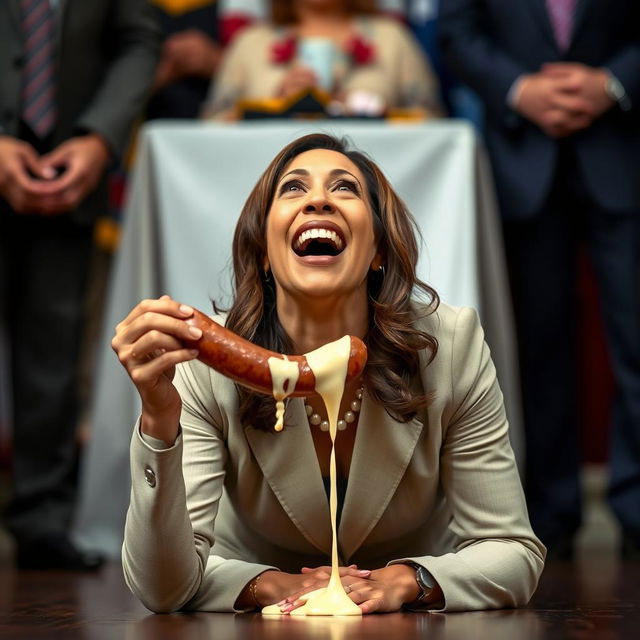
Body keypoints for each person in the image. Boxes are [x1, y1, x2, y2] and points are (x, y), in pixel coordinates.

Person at [113, 133, 544, 613]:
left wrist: (409, 580)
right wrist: (157, 418)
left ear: (378, 249)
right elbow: (161, 588)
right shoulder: (207, 368)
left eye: (345, 188)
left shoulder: (451, 346)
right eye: (293, 189)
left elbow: (512, 552)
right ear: (263, 252)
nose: (318, 199)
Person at [438, 0, 640, 559]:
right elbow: (456, 29)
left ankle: (636, 509)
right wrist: (517, 89)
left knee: (635, 340)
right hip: (520, 160)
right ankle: (549, 513)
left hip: (622, 150)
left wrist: (615, 83)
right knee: (538, 346)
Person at [0, 0, 160, 569]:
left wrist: (100, 139)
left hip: (70, 174)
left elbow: (139, 39)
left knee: (54, 353)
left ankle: (42, 518)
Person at [202, 0, 443, 119]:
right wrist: (276, 107)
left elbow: (431, 121)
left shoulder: (391, 37)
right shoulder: (250, 42)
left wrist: (374, 114)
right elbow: (212, 125)